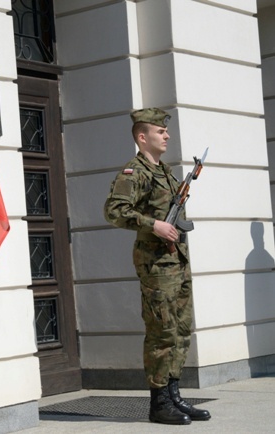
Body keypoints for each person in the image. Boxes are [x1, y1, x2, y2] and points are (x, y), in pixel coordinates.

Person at [103, 108, 211, 425]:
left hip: (177, 260)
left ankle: (175, 396)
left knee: (180, 329)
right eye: (159, 131)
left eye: (166, 131)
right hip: (155, 263)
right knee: (161, 331)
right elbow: (114, 211)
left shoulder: (165, 172)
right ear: (142, 137)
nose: (166, 135)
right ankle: (159, 403)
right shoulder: (133, 173)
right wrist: (154, 225)